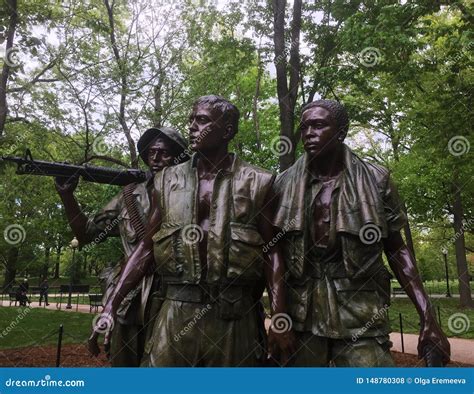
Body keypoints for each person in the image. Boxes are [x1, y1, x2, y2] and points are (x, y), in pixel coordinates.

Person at [89, 95, 295, 367]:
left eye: (202, 120)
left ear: (228, 130)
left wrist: (279, 316)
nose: (191, 127)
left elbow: (273, 252)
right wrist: (111, 306)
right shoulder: (167, 180)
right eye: (190, 120)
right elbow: (146, 248)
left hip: (235, 317)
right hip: (176, 311)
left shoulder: (259, 181)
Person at [272, 99, 451, 366]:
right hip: (302, 315)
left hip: (360, 310)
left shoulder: (376, 179)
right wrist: (278, 316)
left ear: (341, 132)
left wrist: (428, 315)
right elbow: (273, 252)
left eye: (319, 126)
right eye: (305, 127)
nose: (309, 133)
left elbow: (397, 249)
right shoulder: (283, 184)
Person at [55, 127, 188, 366]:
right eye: (151, 152)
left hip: (172, 297)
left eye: (165, 153)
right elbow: (87, 234)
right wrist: (67, 197)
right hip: (128, 299)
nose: (155, 158)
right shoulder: (129, 195)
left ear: (179, 158)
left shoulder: (191, 194)